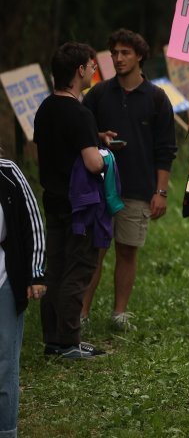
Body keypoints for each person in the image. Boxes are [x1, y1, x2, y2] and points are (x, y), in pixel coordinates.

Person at [81, 29, 177, 331]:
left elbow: (166, 149)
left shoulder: (157, 98)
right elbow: (79, 133)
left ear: (139, 56)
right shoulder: (97, 94)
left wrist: (160, 191)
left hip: (137, 186)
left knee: (127, 249)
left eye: (125, 53)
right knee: (94, 250)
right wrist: (98, 137)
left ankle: (119, 313)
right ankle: (80, 313)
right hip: (97, 184)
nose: (118, 58)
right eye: (114, 53)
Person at [33, 42, 107, 359]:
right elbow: (92, 163)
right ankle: (70, 341)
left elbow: (47, 151)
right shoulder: (79, 112)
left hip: (54, 200)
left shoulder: (45, 108)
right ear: (79, 70)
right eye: (91, 66)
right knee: (78, 270)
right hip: (81, 205)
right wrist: (105, 157)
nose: (93, 70)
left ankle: (53, 340)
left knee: (56, 270)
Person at [0, 154, 45, 436]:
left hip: (6, 278)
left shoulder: (8, 172)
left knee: (5, 362)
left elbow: (33, 222)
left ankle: (6, 431)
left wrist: (36, 272)